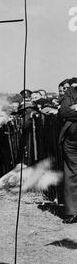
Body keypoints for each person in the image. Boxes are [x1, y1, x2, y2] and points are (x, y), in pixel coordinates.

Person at [59, 85, 77, 224]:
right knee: (71, 174)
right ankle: (72, 212)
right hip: (71, 141)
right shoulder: (70, 91)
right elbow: (63, 112)